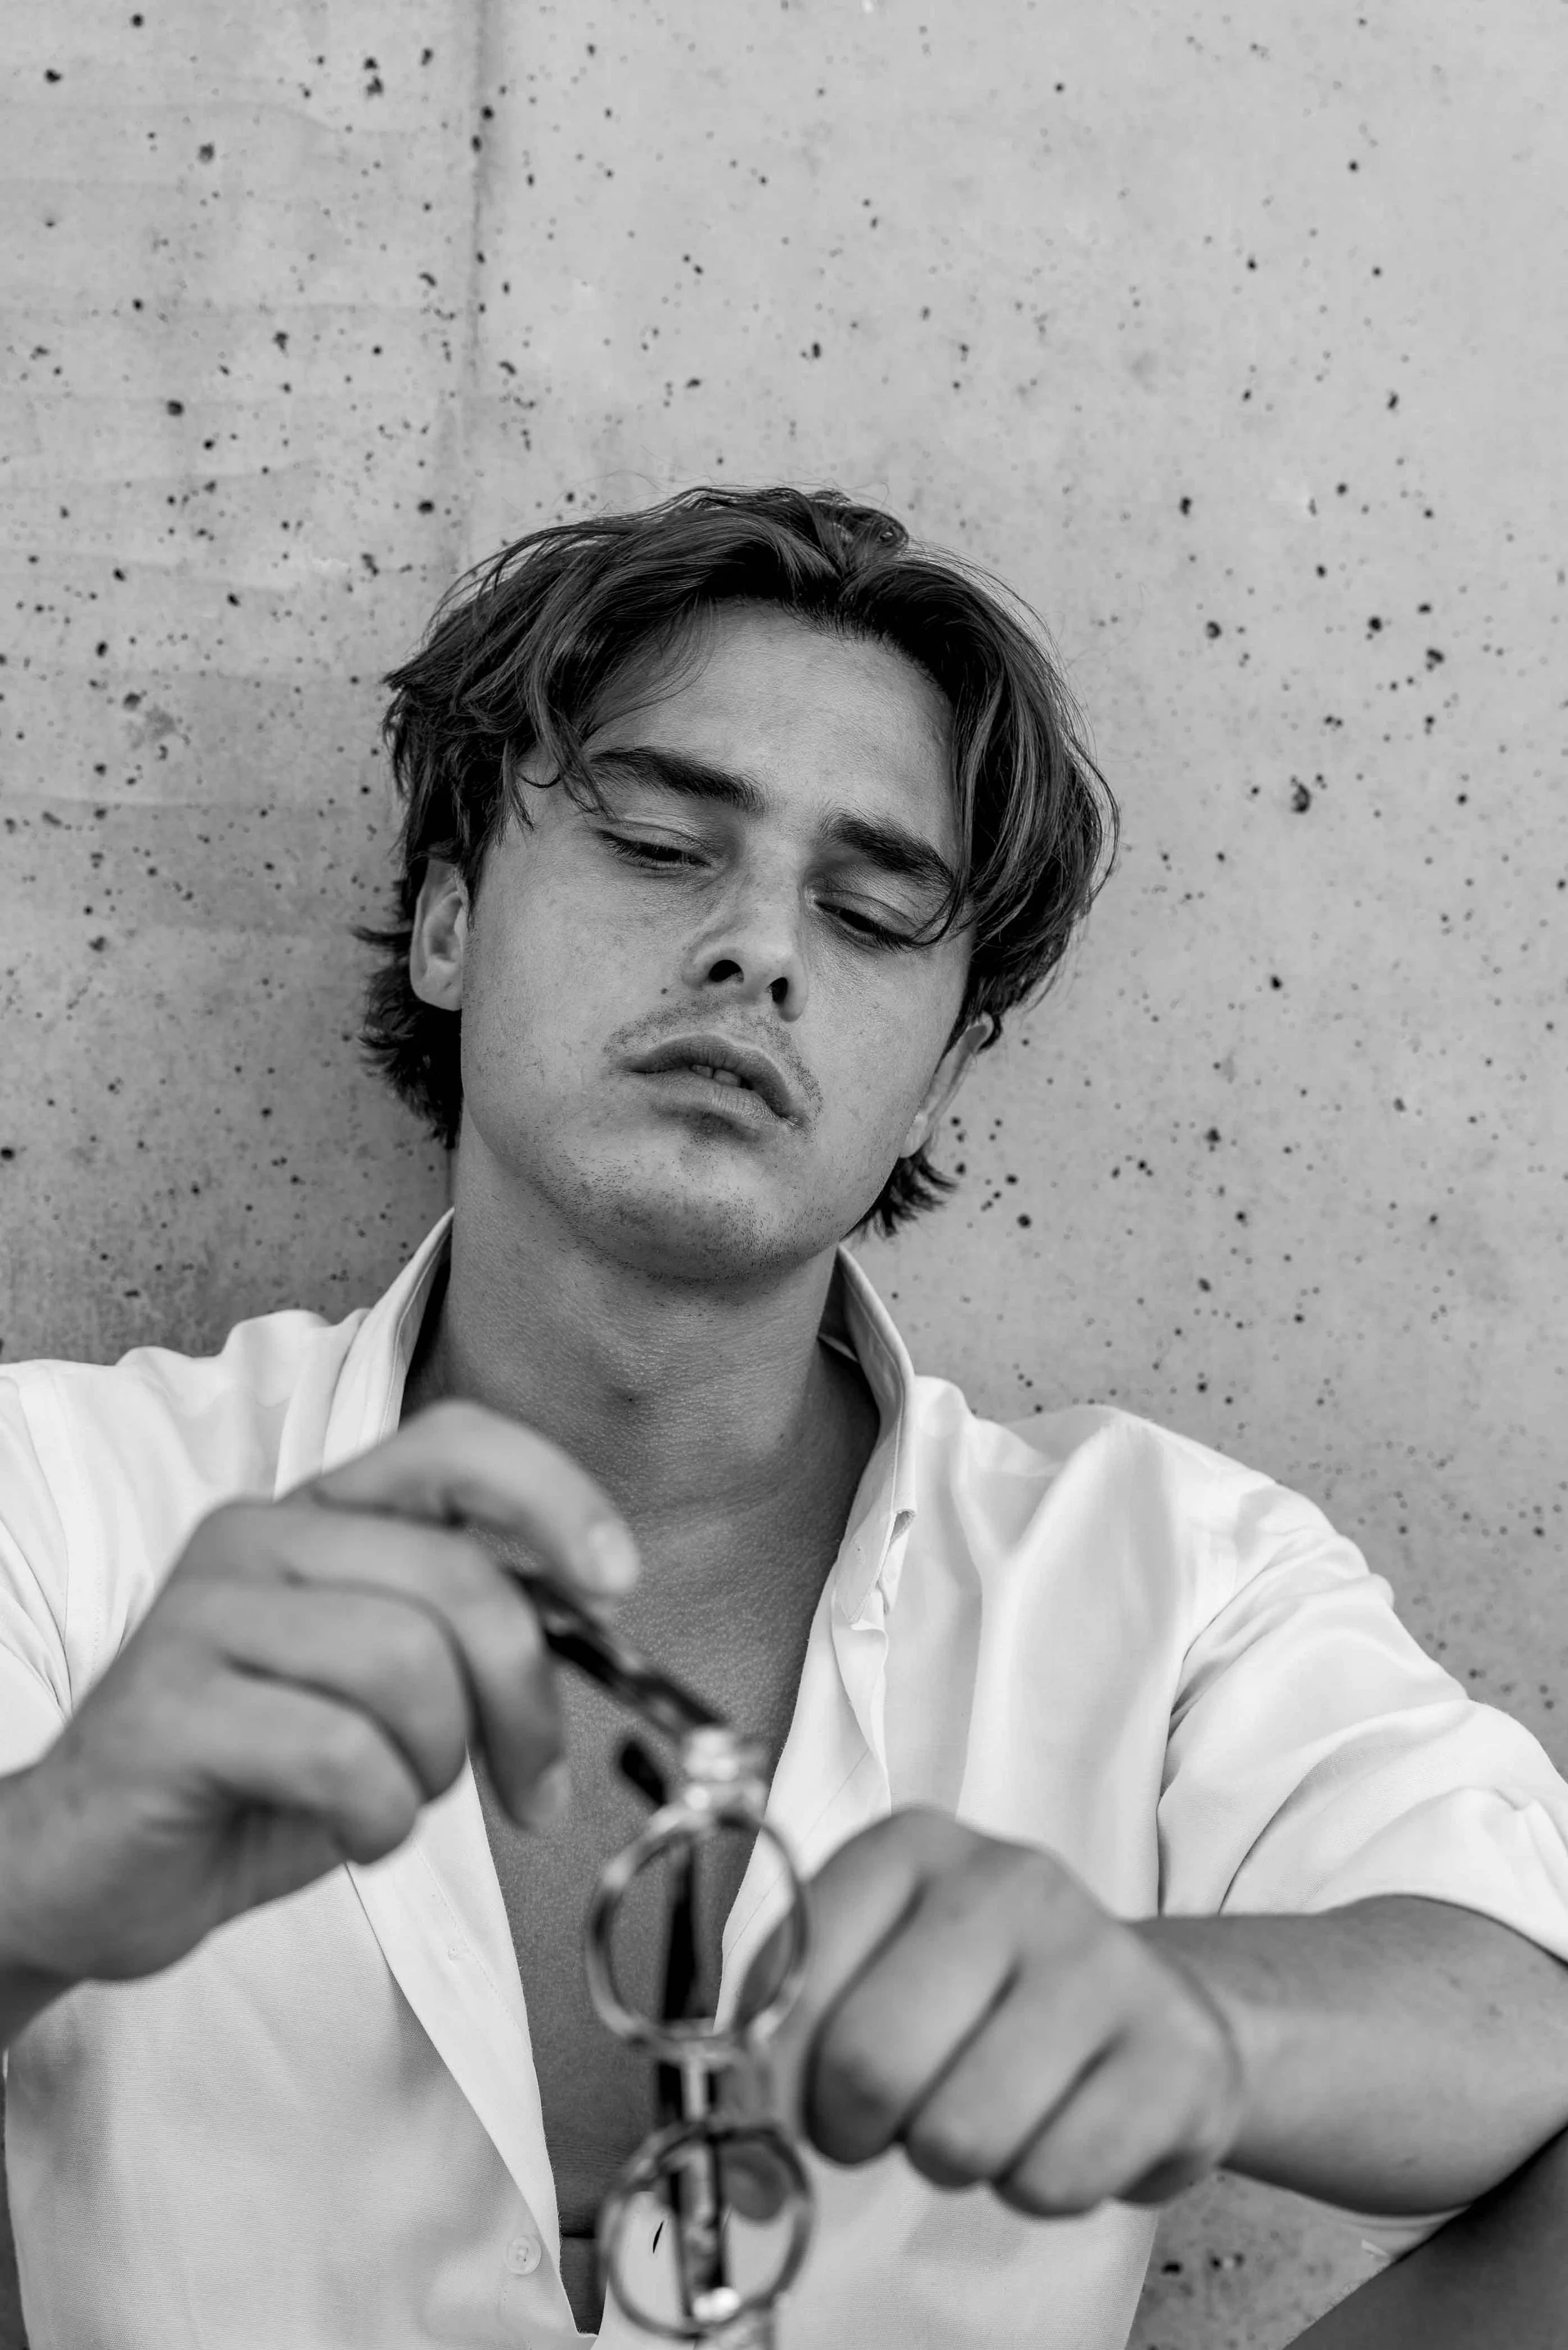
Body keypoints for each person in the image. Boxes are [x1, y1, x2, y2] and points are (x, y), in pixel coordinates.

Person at [2, 485, 1566, 2350]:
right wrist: (48, 1866)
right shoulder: (62, 1496)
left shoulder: (1169, 1574)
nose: (758, 947)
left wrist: (1174, 2015)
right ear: (445, 917)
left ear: (935, 1079)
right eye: (661, 841)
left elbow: (1510, 1992)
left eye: (871, 904)